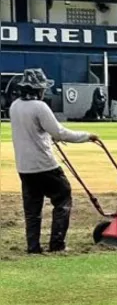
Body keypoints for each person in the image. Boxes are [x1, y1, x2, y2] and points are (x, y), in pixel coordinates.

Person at [9, 70, 98, 254]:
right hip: (44, 164)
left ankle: (33, 246)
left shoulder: (15, 106)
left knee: (32, 208)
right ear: (38, 89)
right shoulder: (39, 107)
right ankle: (57, 244)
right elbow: (60, 132)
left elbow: (34, 132)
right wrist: (86, 136)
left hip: (24, 167)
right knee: (63, 197)